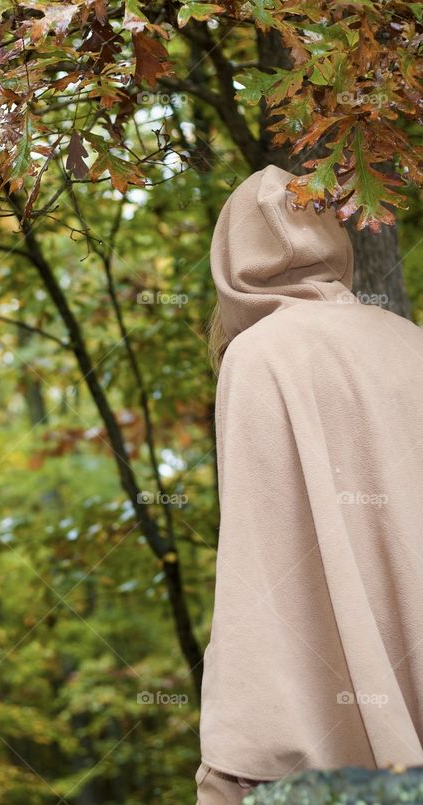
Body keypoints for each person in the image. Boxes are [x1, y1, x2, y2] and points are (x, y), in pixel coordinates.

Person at [196, 165, 423, 804]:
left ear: (230, 261)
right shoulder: (412, 344)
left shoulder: (258, 359)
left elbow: (259, 571)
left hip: (337, 779)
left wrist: (230, 774)